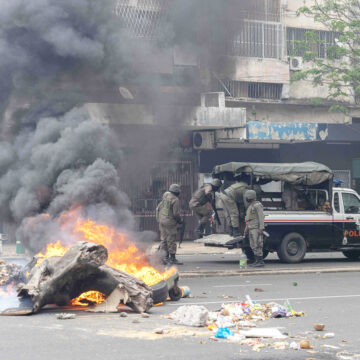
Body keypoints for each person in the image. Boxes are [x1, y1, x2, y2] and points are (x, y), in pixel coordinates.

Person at [156, 184, 183, 265]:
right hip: (169, 222)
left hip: (162, 220)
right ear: (177, 192)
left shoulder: (166, 196)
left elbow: (159, 208)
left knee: (163, 239)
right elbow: (176, 214)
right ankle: (172, 258)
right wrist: (180, 221)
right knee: (171, 239)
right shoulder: (175, 199)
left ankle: (163, 258)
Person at [244, 189, 265, 267]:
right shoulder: (250, 206)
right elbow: (249, 219)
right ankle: (256, 260)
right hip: (251, 228)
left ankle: (260, 261)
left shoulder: (257, 205)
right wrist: (246, 229)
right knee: (253, 245)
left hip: (256, 228)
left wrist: (261, 228)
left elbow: (261, 217)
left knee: (258, 244)